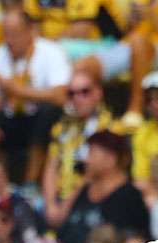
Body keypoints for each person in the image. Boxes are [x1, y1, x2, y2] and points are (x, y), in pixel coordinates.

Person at [0, 7, 70, 184]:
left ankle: (30, 183)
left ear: (31, 31)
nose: (9, 40)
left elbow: (61, 96)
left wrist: (17, 91)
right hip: (11, 120)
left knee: (48, 113)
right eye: (5, 34)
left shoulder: (50, 52)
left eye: (14, 34)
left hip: (39, 120)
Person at [43, 70, 119, 230]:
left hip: (90, 200)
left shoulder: (109, 128)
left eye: (84, 92)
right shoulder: (62, 127)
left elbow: (93, 174)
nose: (77, 99)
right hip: (60, 199)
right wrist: (50, 205)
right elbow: (51, 166)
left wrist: (64, 208)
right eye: (72, 94)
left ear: (98, 93)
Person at [59, 130, 149, 243]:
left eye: (91, 153)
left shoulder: (128, 196)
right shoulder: (85, 190)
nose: (87, 160)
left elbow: (121, 241)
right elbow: (59, 220)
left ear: (111, 159)